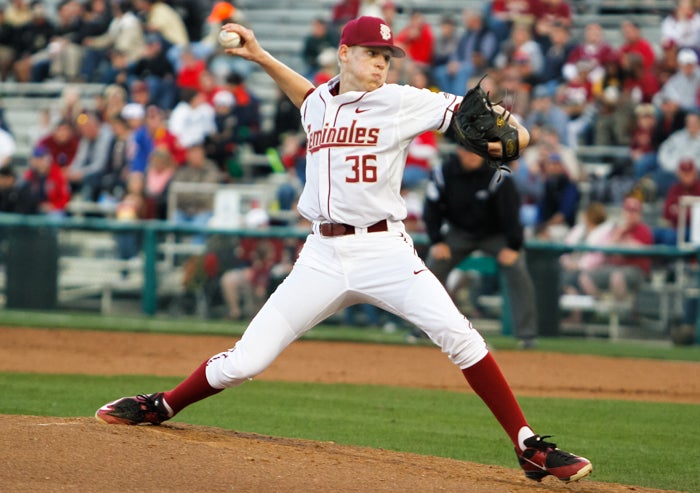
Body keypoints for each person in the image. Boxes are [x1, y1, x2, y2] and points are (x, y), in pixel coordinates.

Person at [95, 16, 593, 484]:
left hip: (385, 251)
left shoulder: (401, 100)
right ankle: (162, 405)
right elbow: (307, 97)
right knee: (246, 362)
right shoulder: (318, 105)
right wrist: (261, 56)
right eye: (371, 54)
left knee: (459, 336)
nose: (381, 63)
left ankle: (529, 447)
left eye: (387, 55)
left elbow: (469, 112)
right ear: (344, 53)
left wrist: (514, 128)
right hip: (322, 256)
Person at [423, 147, 538, 349]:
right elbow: (431, 207)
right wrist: (436, 241)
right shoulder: (444, 172)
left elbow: (512, 214)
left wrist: (513, 246)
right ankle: (424, 329)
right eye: (467, 151)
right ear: (459, 151)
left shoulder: (497, 174)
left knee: (517, 267)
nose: (472, 156)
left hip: (495, 234)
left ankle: (526, 335)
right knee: (431, 270)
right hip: (459, 232)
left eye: (476, 152)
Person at [578, 196, 653, 303]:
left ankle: (620, 313)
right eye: (628, 211)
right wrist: (618, 235)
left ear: (639, 214)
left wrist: (626, 243)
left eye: (634, 212)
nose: (631, 215)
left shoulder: (644, 230)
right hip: (614, 267)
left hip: (636, 271)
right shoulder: (618, 229)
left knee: (617, 276)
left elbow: (642, 250)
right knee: (585, 277)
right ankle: (602, 308)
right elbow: (605, 249)